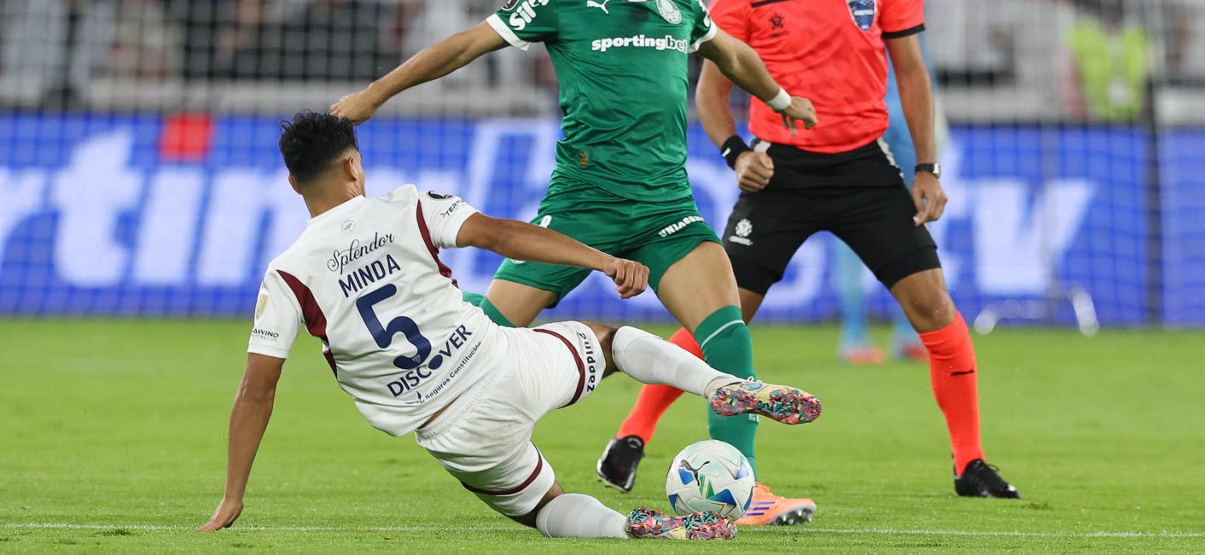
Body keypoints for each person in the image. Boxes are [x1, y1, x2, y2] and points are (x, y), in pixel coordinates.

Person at [331, 0, 820, 524]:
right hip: (581, 207)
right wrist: (376, 93)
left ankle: (745, 489)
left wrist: (782, 102)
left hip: (666, 209)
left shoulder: (681, 4)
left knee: (728, 334)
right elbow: (466, 44)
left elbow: (731, 54)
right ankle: (415, 355)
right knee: (488, 331)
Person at [597, 0, 1020, 505]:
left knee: (933, 305)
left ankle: (971, 461)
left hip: (864, 167)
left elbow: (912, 72)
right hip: (781, 173)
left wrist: (927, 165)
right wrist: (738, 152)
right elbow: (709, 90)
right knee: (722, 318)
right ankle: (631, 433)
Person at [198, 112, 822, 540]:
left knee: (543, 509)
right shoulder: (406, 208)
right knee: (610, 342)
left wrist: (232, 493)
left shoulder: (287, 276)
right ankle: (717, 385)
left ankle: (630, 527)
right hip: (502, 362)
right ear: (354, 166)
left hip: (452, 431)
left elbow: (258, 390)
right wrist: (601, 259)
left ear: (292, 183)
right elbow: (504, 234)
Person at [835, 0, 937, 365]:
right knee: (852, 222)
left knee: (915, 218)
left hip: (909, 108)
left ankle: (908, 333)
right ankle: (854, 334)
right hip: (860, 110)